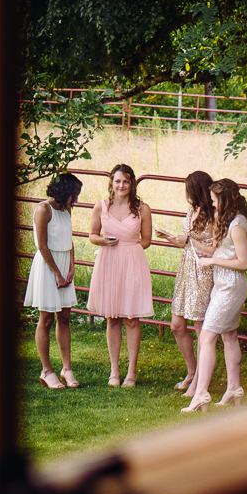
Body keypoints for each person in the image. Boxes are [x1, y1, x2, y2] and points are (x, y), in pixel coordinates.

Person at [183, 177, 247, 412]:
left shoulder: (237, 225)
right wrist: (189, 242)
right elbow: (219, 249)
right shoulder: (226, 220)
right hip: (222, 283)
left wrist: (212, 260)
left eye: (214, 200)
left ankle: (201, 393)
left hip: (232, 285)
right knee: (229, 336)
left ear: (224, 199)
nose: (212, 204)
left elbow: (243, 263)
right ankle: (234, 387)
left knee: (206, 337)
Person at [87, 163, 154, 386]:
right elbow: (92, 235)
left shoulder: (142, 208)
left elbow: (146, 241)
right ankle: (114, 371)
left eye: (126, 181)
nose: (121, 185)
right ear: (111, 183)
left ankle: (132, 371)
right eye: (117, 181)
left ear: (132, 183)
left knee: (132, 319)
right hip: (108, 261)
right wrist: (105, 241)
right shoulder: (101, 206)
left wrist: (128, 245)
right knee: (112, 318)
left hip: (132, 262)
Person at [152, 170, 215, 394]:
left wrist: (188, 241)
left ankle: (199, 381)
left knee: (199, 326)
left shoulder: (214, 214)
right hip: (186, 269)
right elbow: (187, 243)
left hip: (203, 271)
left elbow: (214, 246)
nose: (186, 193)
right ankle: (192, 371)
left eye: (189, 189)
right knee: (177, 325)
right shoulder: (191, 209)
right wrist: (170, 237)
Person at [25, 173, 84, 388]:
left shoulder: (65, 209)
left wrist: (71, 265)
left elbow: (69, 239)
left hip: (63, 262)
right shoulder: (43, 210)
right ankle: (46, 371)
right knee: (46, 318)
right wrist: (57, 273)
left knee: (65, 316)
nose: (75, 199)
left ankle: (67, 369)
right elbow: (42, 245)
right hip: (48, 266)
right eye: (73, 194)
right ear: (64, 192)